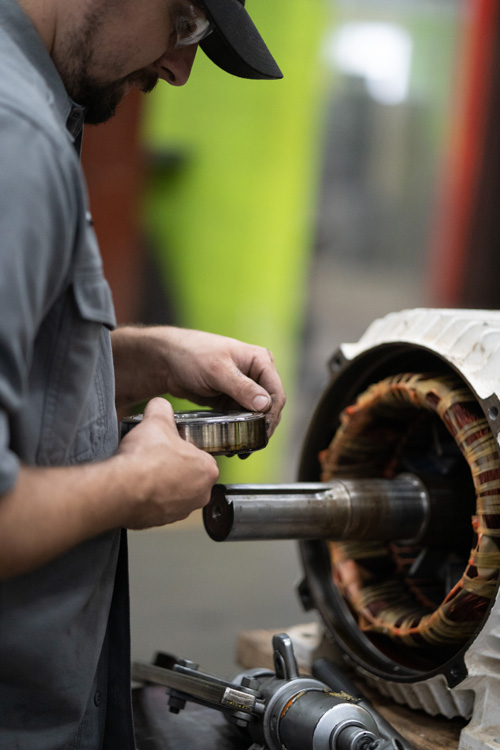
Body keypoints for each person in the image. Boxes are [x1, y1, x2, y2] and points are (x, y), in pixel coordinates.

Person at [0, 0, 286, 747]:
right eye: (186, 23)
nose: (180, 67)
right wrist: (136, 486)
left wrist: (137, 356)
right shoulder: (17, 140)